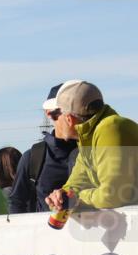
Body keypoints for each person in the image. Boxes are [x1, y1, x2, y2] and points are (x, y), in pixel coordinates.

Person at [45, 81, 138, 212]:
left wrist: (76, 198)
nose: (54, 120)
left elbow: (112, 196)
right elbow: (75, 185)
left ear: (69, 119)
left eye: (56, 115)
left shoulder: (110, 128)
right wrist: (60, 197)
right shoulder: (88, 137)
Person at [8, 82, 80, 213]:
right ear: (49, 113)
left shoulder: (91, 152)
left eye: (77, 112)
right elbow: (17, 202)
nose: (72, 118)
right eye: (66, 111)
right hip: (46, 232)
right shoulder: (34, 157)